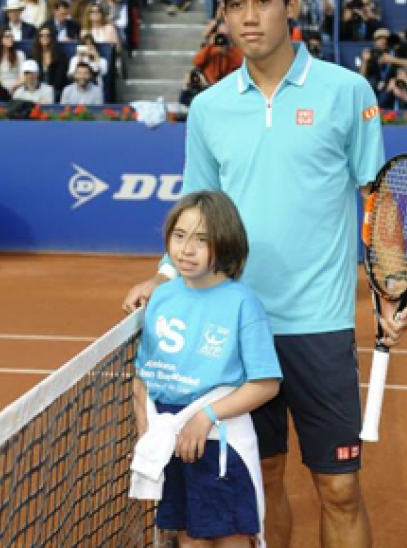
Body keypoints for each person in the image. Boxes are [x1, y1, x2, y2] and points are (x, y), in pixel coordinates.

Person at [123, 0, 407, 548]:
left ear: (291, 7)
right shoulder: (208, 108)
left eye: (262, 1)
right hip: (231, 323)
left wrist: (392, 289)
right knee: (265, 479)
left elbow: (378, 198)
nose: (249, 17)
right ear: (223, 18)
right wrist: (161, 275)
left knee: (338, 488)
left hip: (318, 326)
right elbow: (196, 206)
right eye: (235, 4)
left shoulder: (346, 91)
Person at [131, 190, 282, 548]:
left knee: (231, 539)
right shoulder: (162, 297)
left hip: (220, 442)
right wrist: (146, 433)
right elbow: (143, 378)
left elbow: (265, 384)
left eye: (202, 240)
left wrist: (206, 416)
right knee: (188, 539)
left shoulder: (242, 303)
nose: (186, 250)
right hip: (171, 441)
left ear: (225, 243)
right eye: (179, 236)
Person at [31, 24, 69, 97]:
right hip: (37, 89)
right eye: (41, 35)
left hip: (55, 90)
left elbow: (60, 78)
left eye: (47, 35)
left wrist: (49, 90)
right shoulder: (33, 56)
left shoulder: (59, 56)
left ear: (52, 37)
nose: (44, 37)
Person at [0, 25, 27, 91]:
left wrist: (14, 87)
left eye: (12, 36)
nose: (10, 39)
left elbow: (23, 77)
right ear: (0, 39)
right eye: (7, 37)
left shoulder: (20, 54)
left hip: (16, 87)